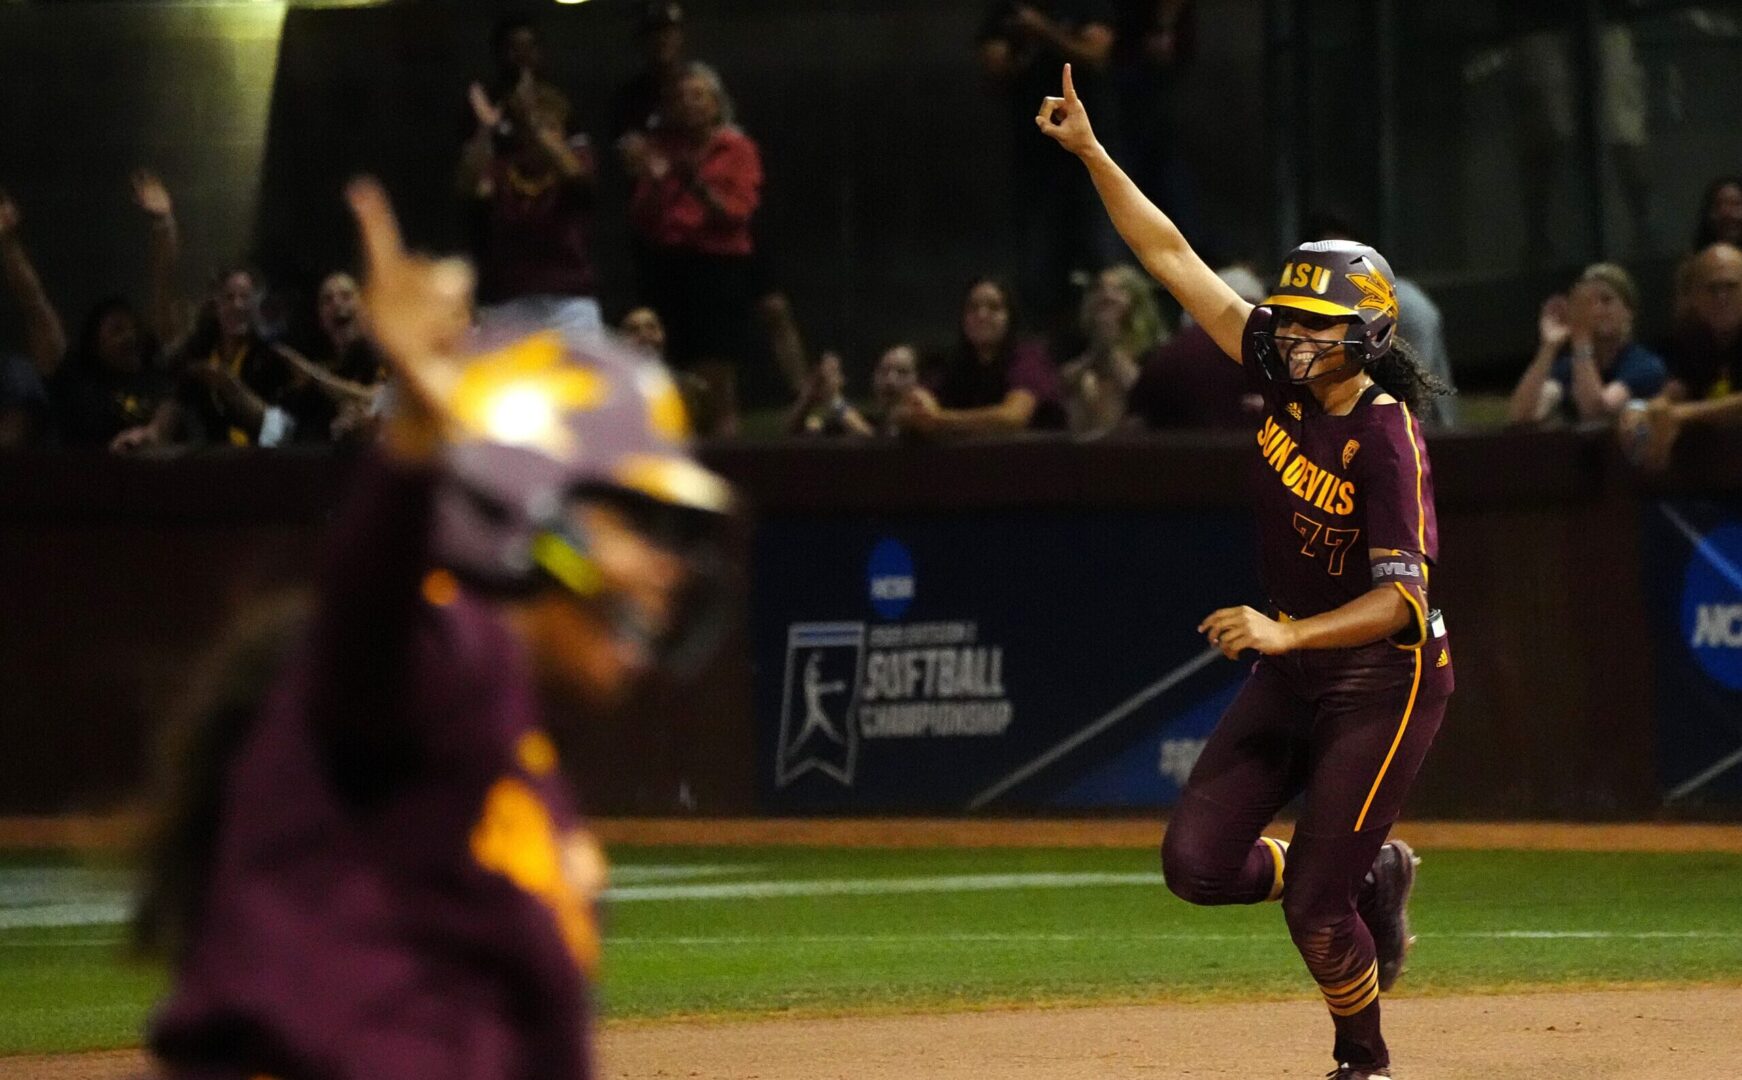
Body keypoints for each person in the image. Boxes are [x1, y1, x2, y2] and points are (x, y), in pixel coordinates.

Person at [135, 179, 734, 1080]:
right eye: (633, 522)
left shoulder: (523, 769)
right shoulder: (440, 664)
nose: (664, 569)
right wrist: (415, 442)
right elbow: (366, 633)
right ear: (530, 507)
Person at [1040, 64, 1451, 1079]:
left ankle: (1362, 1057)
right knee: (1193, 865)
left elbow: (1401, 602)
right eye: (1291, 317)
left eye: (1317, 324)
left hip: (1381, 683)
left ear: (1368, 334)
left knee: (1313, 908)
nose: (1293, 334)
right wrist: (1093, 152)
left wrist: (1285, 635)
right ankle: (1376, 876)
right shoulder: (1278, 364)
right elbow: (1170, 258)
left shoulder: (1385, 438)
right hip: (1297, 667)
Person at [624, 62, 763, 436]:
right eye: (682, 97)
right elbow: (642, 218)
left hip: (717, 269)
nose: (690, 104)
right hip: (670, 267)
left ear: (716, 104)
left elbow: (738, 213)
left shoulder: (736, 148)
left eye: (698, 96)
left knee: (716, 377)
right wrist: (653, 182)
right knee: (672, 373)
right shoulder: (662, 150)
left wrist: (696, 185)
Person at [978, 0, 1122, 327]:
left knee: (1105, 265)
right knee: (1039, 274)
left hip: (1091, 154)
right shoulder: (1009, 11)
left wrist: (1043, 32)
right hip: (1037, 158)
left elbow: (1097, 53)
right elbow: (994, 67)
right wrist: (1028, 46)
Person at [459, 68, 602, 338]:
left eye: (551, 126)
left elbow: (575, 176)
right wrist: (485, 131)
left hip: (569, 302)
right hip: (509, 303)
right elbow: (470, 185)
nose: (540, 134)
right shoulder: (503, 169)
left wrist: (531, 119)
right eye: (534, 127)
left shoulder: (577, 160)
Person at [1621, 243, 1742, 470]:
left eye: (1731, 286)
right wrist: (1641, 411)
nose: (1721, 297)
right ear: (1695, 298)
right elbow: (1674, 391)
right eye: (1712, 288)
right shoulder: (1694, 340)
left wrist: (1683, 414)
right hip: (1714, 477)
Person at [1507, 262, 1666, 426]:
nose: (1597, 310)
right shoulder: (1568, 367)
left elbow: (1596, 412)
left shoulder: (1644, 365)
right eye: (1588, 303)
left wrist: (1580, 337)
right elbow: (1521, 415)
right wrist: (1549, 347)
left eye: (1606, 300)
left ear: (1628, 311)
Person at [902, 277, 1064, 437]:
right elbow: (917, 401)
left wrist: (939, 419)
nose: (982, 315)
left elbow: (1012, 418)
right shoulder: (957, 364)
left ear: (1010, 318)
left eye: (994, 308)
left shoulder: (1029, 357)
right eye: (973, 308)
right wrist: (918, 404)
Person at [1059, 263, 1165, 435]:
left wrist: (1110, 347)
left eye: (1119, 289)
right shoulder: (1074, 342)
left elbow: (1142, 394)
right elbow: (1064, 383)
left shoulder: (1153, 351)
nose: (1106, 296)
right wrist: (1096, 350)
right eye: (1099, 289)